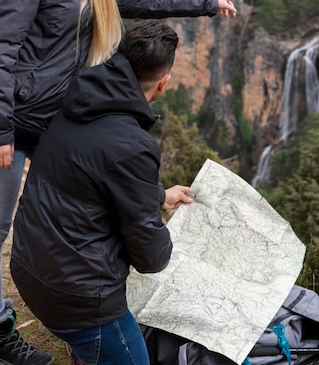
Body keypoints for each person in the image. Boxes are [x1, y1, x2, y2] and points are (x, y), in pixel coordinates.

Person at [0, 0, 241, 365]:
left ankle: (68, 303)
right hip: (12, 125)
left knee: (73, 205)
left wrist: (208, 4)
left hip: (50, 125)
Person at [10, 20, 192, 365]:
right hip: (77, 299)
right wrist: (173, 245)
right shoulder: (134, 145)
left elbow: (89, 179)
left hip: (29, 268)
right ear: (164, 83)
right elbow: (151, 256)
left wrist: (157, 196)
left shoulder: (75, 98)